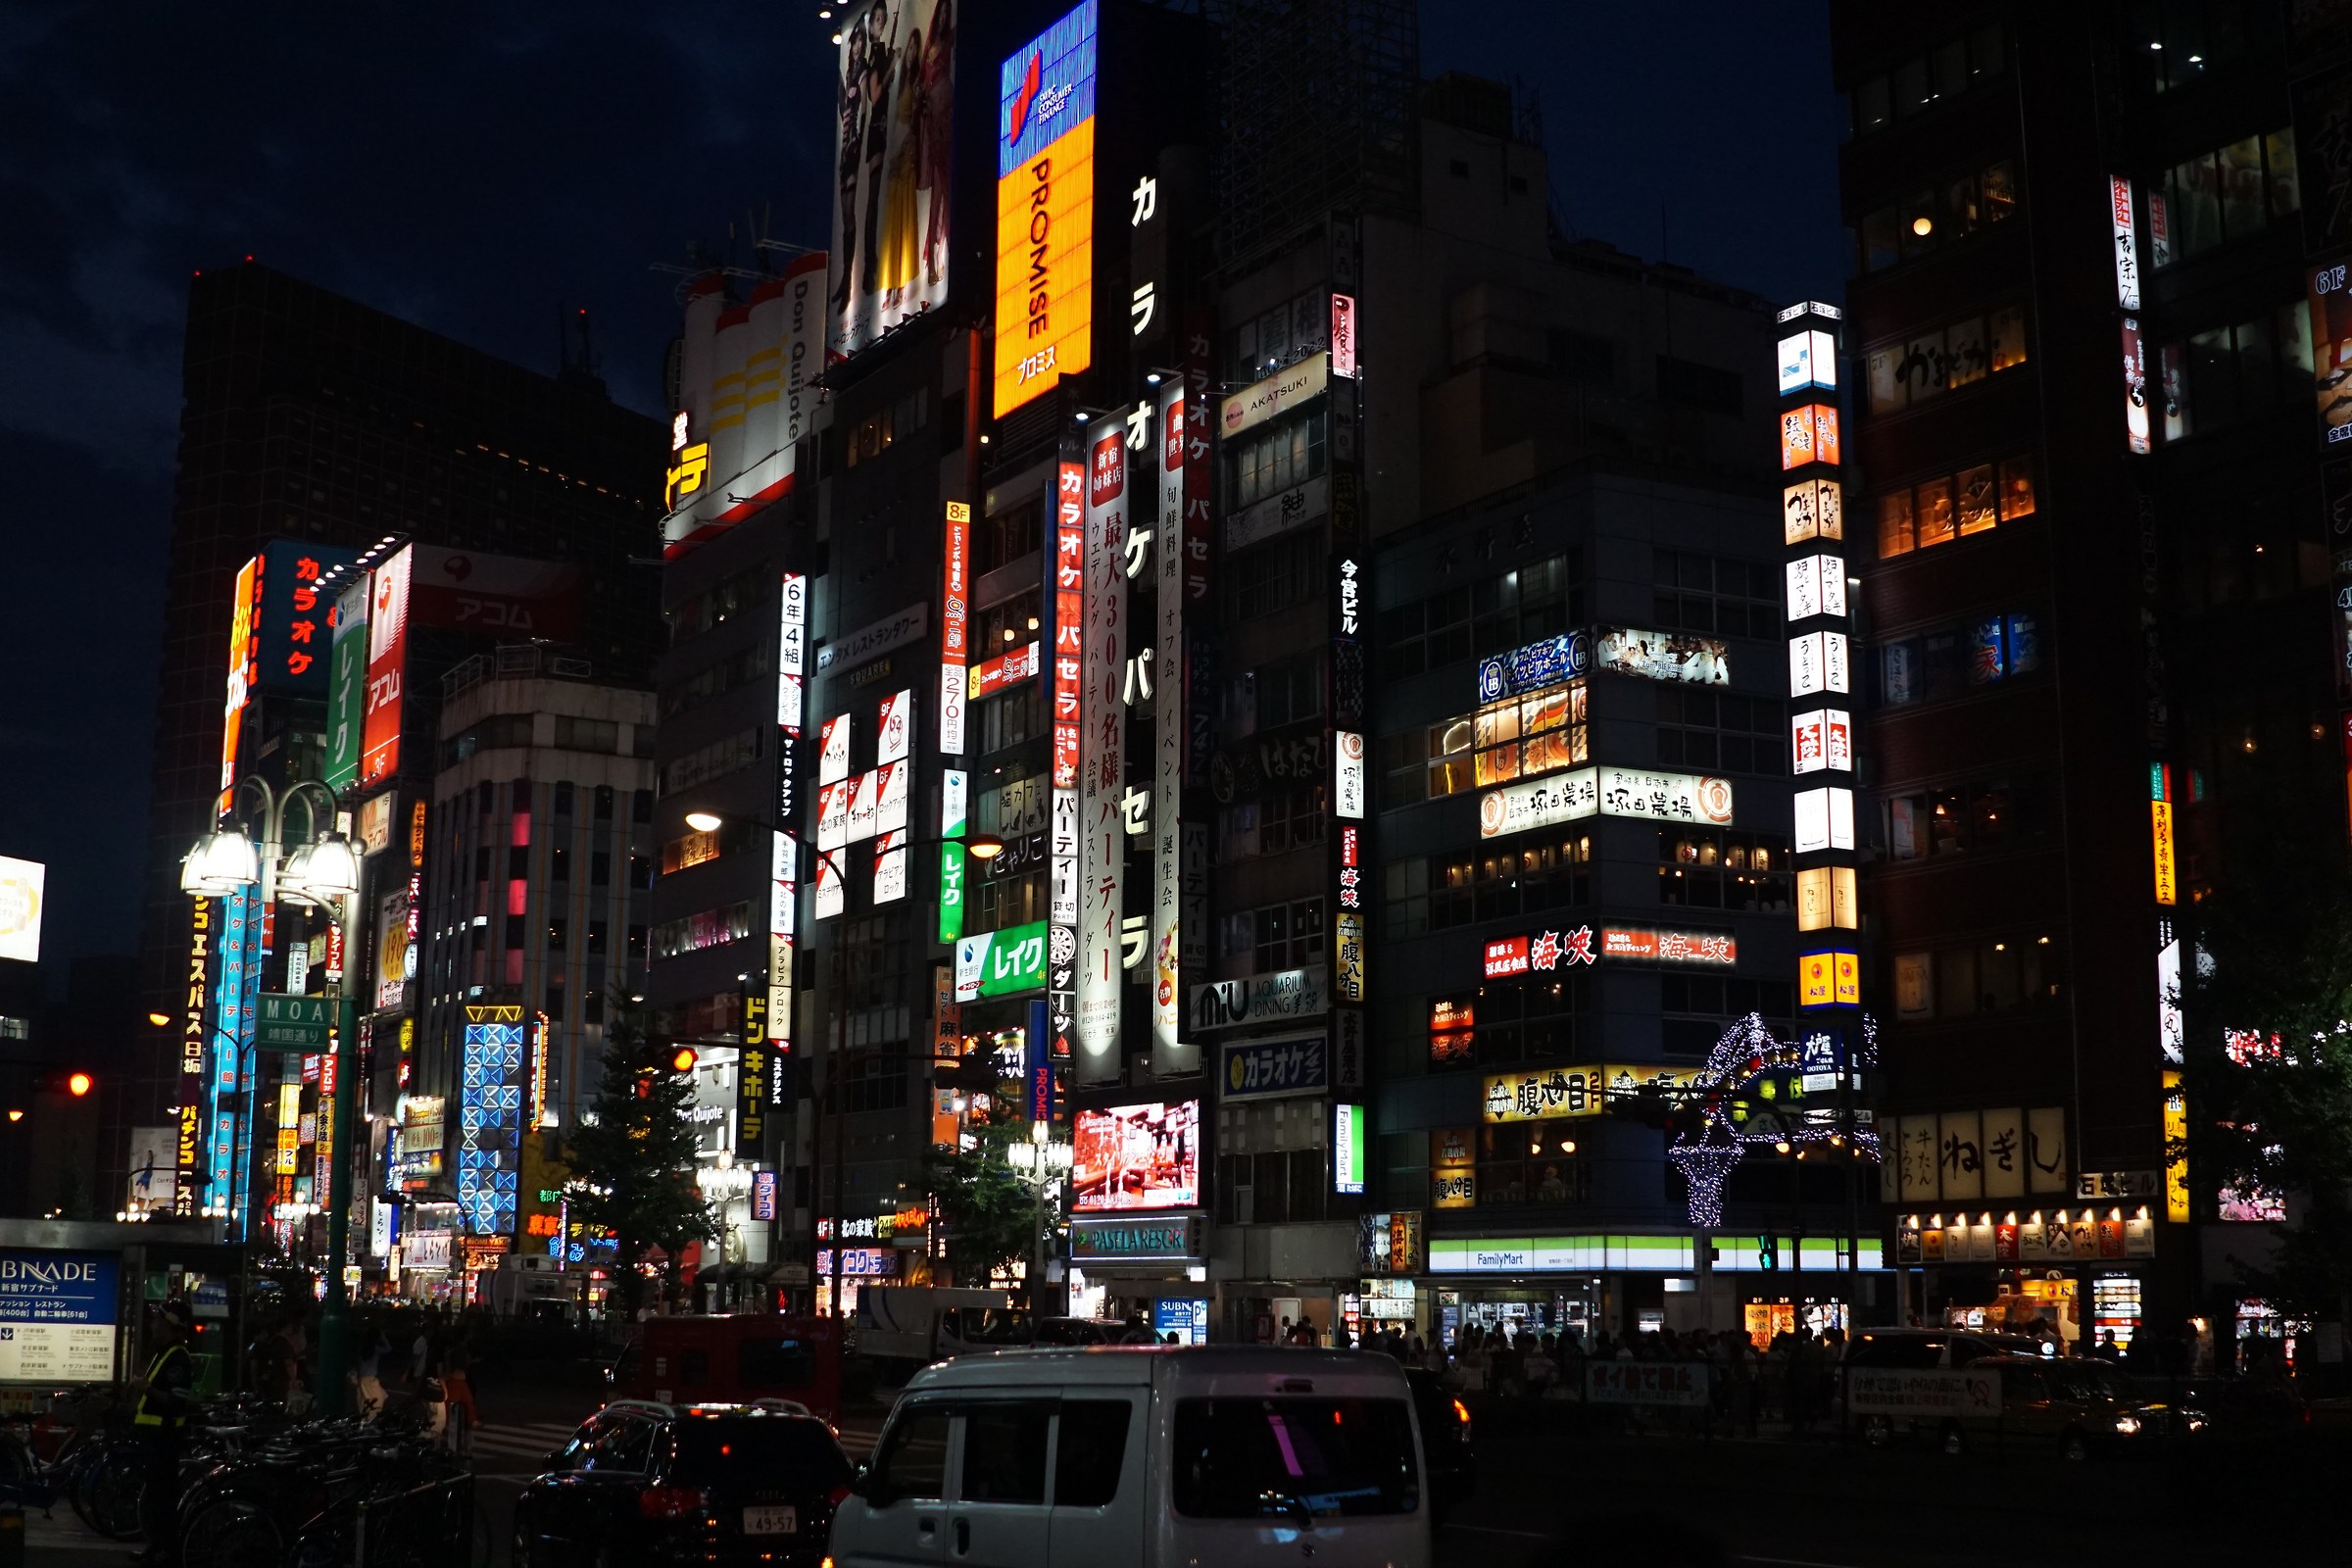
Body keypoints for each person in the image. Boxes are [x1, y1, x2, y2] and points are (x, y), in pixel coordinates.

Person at [129, 1299, 198, 1566]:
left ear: (169, 1325)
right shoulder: (163, 1352)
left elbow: (176, 1400)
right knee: (156, 1496)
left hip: (164, 1438)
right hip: (153, 1437)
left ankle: (166, 1551)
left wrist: (147, 1389)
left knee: (163, 1498)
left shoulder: (178, 1357)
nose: (152, 1324)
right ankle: (156, 1546)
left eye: (157, 1320)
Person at [354, 1318, 391, 1421]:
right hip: (370, 1379)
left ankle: (364, 1421)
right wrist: (383, 1337)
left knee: (364, 1402)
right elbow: (388, 1349)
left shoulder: (362, 1347)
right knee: (377, 1401)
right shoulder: (375, 1348)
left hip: (362, 1379)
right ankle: (369, 1421)